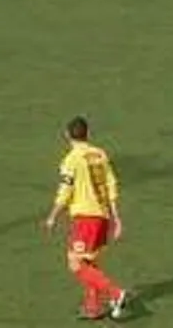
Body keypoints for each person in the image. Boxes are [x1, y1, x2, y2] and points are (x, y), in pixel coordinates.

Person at [44, 116, 132, 322]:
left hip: (86, 217)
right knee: (90, 261)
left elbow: (65, 190)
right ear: (87, 133)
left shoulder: (72, 159)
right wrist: (116, 218)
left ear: (67, 135)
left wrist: (53, 216)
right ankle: (92, 307)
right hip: (102, 217)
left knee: (75, 263)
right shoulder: (100, 154)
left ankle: (116, 294)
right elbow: (111, 185)